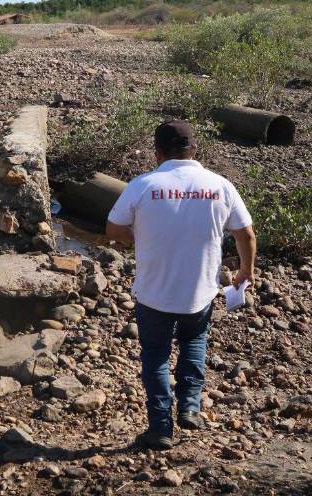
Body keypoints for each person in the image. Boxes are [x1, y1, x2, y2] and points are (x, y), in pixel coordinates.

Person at [106, 120, 256, 450]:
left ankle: (160, 427)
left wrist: (141, 234)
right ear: (195, 149)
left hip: (153, 292)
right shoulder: (220, 185)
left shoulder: (143, 184)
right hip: (199, 291)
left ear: (157, 152)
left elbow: (113, 229)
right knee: (194, 342)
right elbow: (245, 233)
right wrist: (246, 270)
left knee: (156, 356)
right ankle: (189, 406)